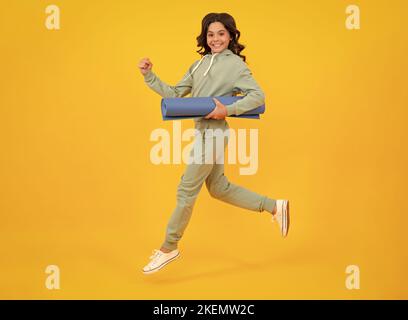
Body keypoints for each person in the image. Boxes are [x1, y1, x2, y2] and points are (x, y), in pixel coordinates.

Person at [138, 12, 289, 274]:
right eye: (210, 34)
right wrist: (150, 76)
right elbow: (175, 95)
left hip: (216, 133)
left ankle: (168, 247)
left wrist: (227, 111)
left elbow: (258, 96)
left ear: (230, 36)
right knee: (219, 188)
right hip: (203, 133)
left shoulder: (235, 66)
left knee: (186, 190)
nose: (215, 38)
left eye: (221, 33)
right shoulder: (198, 65)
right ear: (205, 38)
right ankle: (275, 206)